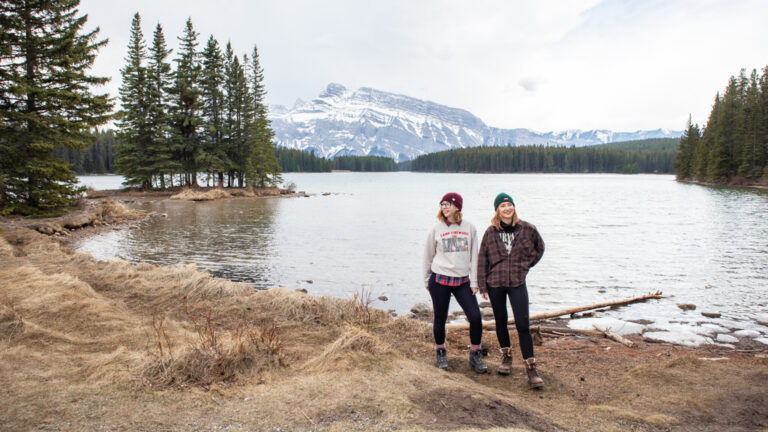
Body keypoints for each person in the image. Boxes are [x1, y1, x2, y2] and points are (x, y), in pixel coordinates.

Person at [477, 192, 545, 389]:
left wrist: (526, 265)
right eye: (502, 206)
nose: (507, 209)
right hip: (495, 283)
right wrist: (482, 284)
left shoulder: (527, 229)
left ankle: (531, 366)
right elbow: (483, 258)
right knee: (500, 321)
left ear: (514, 207)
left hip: (517, 281)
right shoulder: (491, 232)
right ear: (497, 210)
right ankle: (506, 356)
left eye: (509, 205)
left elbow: (539, 248)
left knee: (523, 324)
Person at [423, 192, 487, 373]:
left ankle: (475, 354)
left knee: (475, 317)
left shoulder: (469, 228)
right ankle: (441, 352)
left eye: (448, 204)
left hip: (462, 281)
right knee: (440, 319)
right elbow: (427, 256)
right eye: (442, 204)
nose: (444, 207)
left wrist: (475, 282)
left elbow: (474, 256)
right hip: (440, 279)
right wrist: (426, 279)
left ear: (457, 206)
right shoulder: (436, 229)